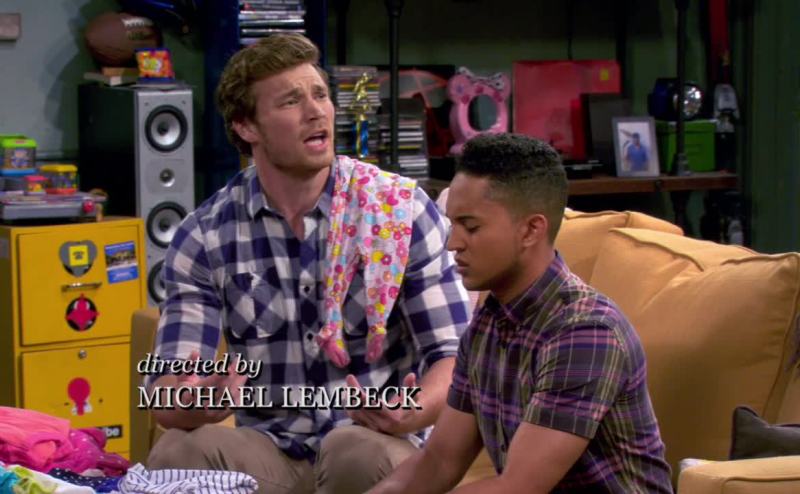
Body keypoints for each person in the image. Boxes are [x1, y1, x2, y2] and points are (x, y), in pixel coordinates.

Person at [144, 33, 471, 494]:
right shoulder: (205, 235)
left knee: (351, 449)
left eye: (320, 94)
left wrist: (411, 410)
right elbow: (165, 394)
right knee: (177, 452)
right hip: (271, 451)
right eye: (291, 101)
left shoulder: (398, 210)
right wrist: (198, 398)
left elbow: (455, 356)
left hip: (376, 443)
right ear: (246, 127)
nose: (316, 111)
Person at [369, 133, 673, 493]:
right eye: (453, 225)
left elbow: (517, 487)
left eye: (471, 227)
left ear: (531, 230)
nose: (453, 243)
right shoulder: (487, 325)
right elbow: (439, 461)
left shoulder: (586, 332)